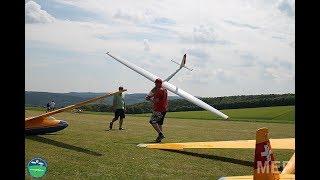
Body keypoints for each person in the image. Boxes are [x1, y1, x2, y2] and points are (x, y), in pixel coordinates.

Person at [145, 78, 168, 143]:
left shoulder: (159, 90)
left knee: (152, 121)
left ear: (158, 83)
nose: (155, 84)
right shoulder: (164, 89)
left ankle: (161, 134)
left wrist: (149, 98)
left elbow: (156, 101)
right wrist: (151, 96)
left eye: (155, 83)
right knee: (159, 123)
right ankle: (159, 138)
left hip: (158, 109)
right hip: (164, 109)